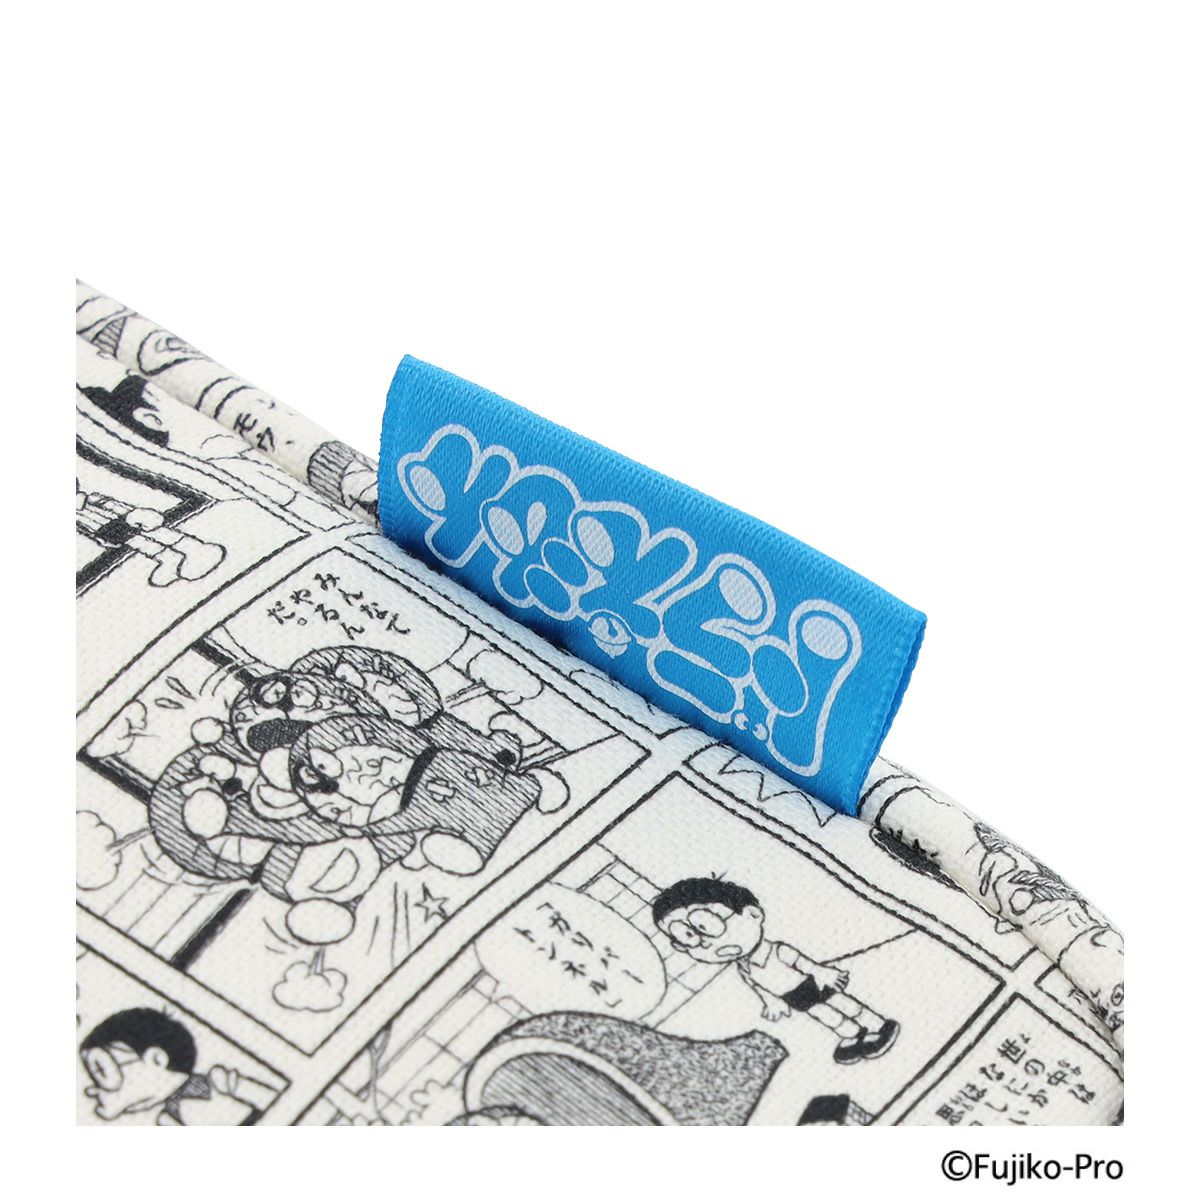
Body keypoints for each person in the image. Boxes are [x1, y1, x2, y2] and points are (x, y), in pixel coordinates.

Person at [652, 877, 899, 1065]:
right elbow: (759, 987)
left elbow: (803, 963)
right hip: (791, 996)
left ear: (753, 914)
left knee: (844, 1004)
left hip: (811, 984)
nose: (705, 943)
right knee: (825, 1015)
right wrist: (771, 1003)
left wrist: (822, 973)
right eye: (686, 938)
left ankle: (878, 1026)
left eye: (706, 925)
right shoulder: (744, 968)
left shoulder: (777, 951)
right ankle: (853, 1035)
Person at [80, 1008, 273, 1123]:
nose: (91, 1090)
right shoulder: (168, 1120)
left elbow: (277, 1102)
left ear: (156, 1060)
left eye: (102, 1070)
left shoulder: (219, 1083)